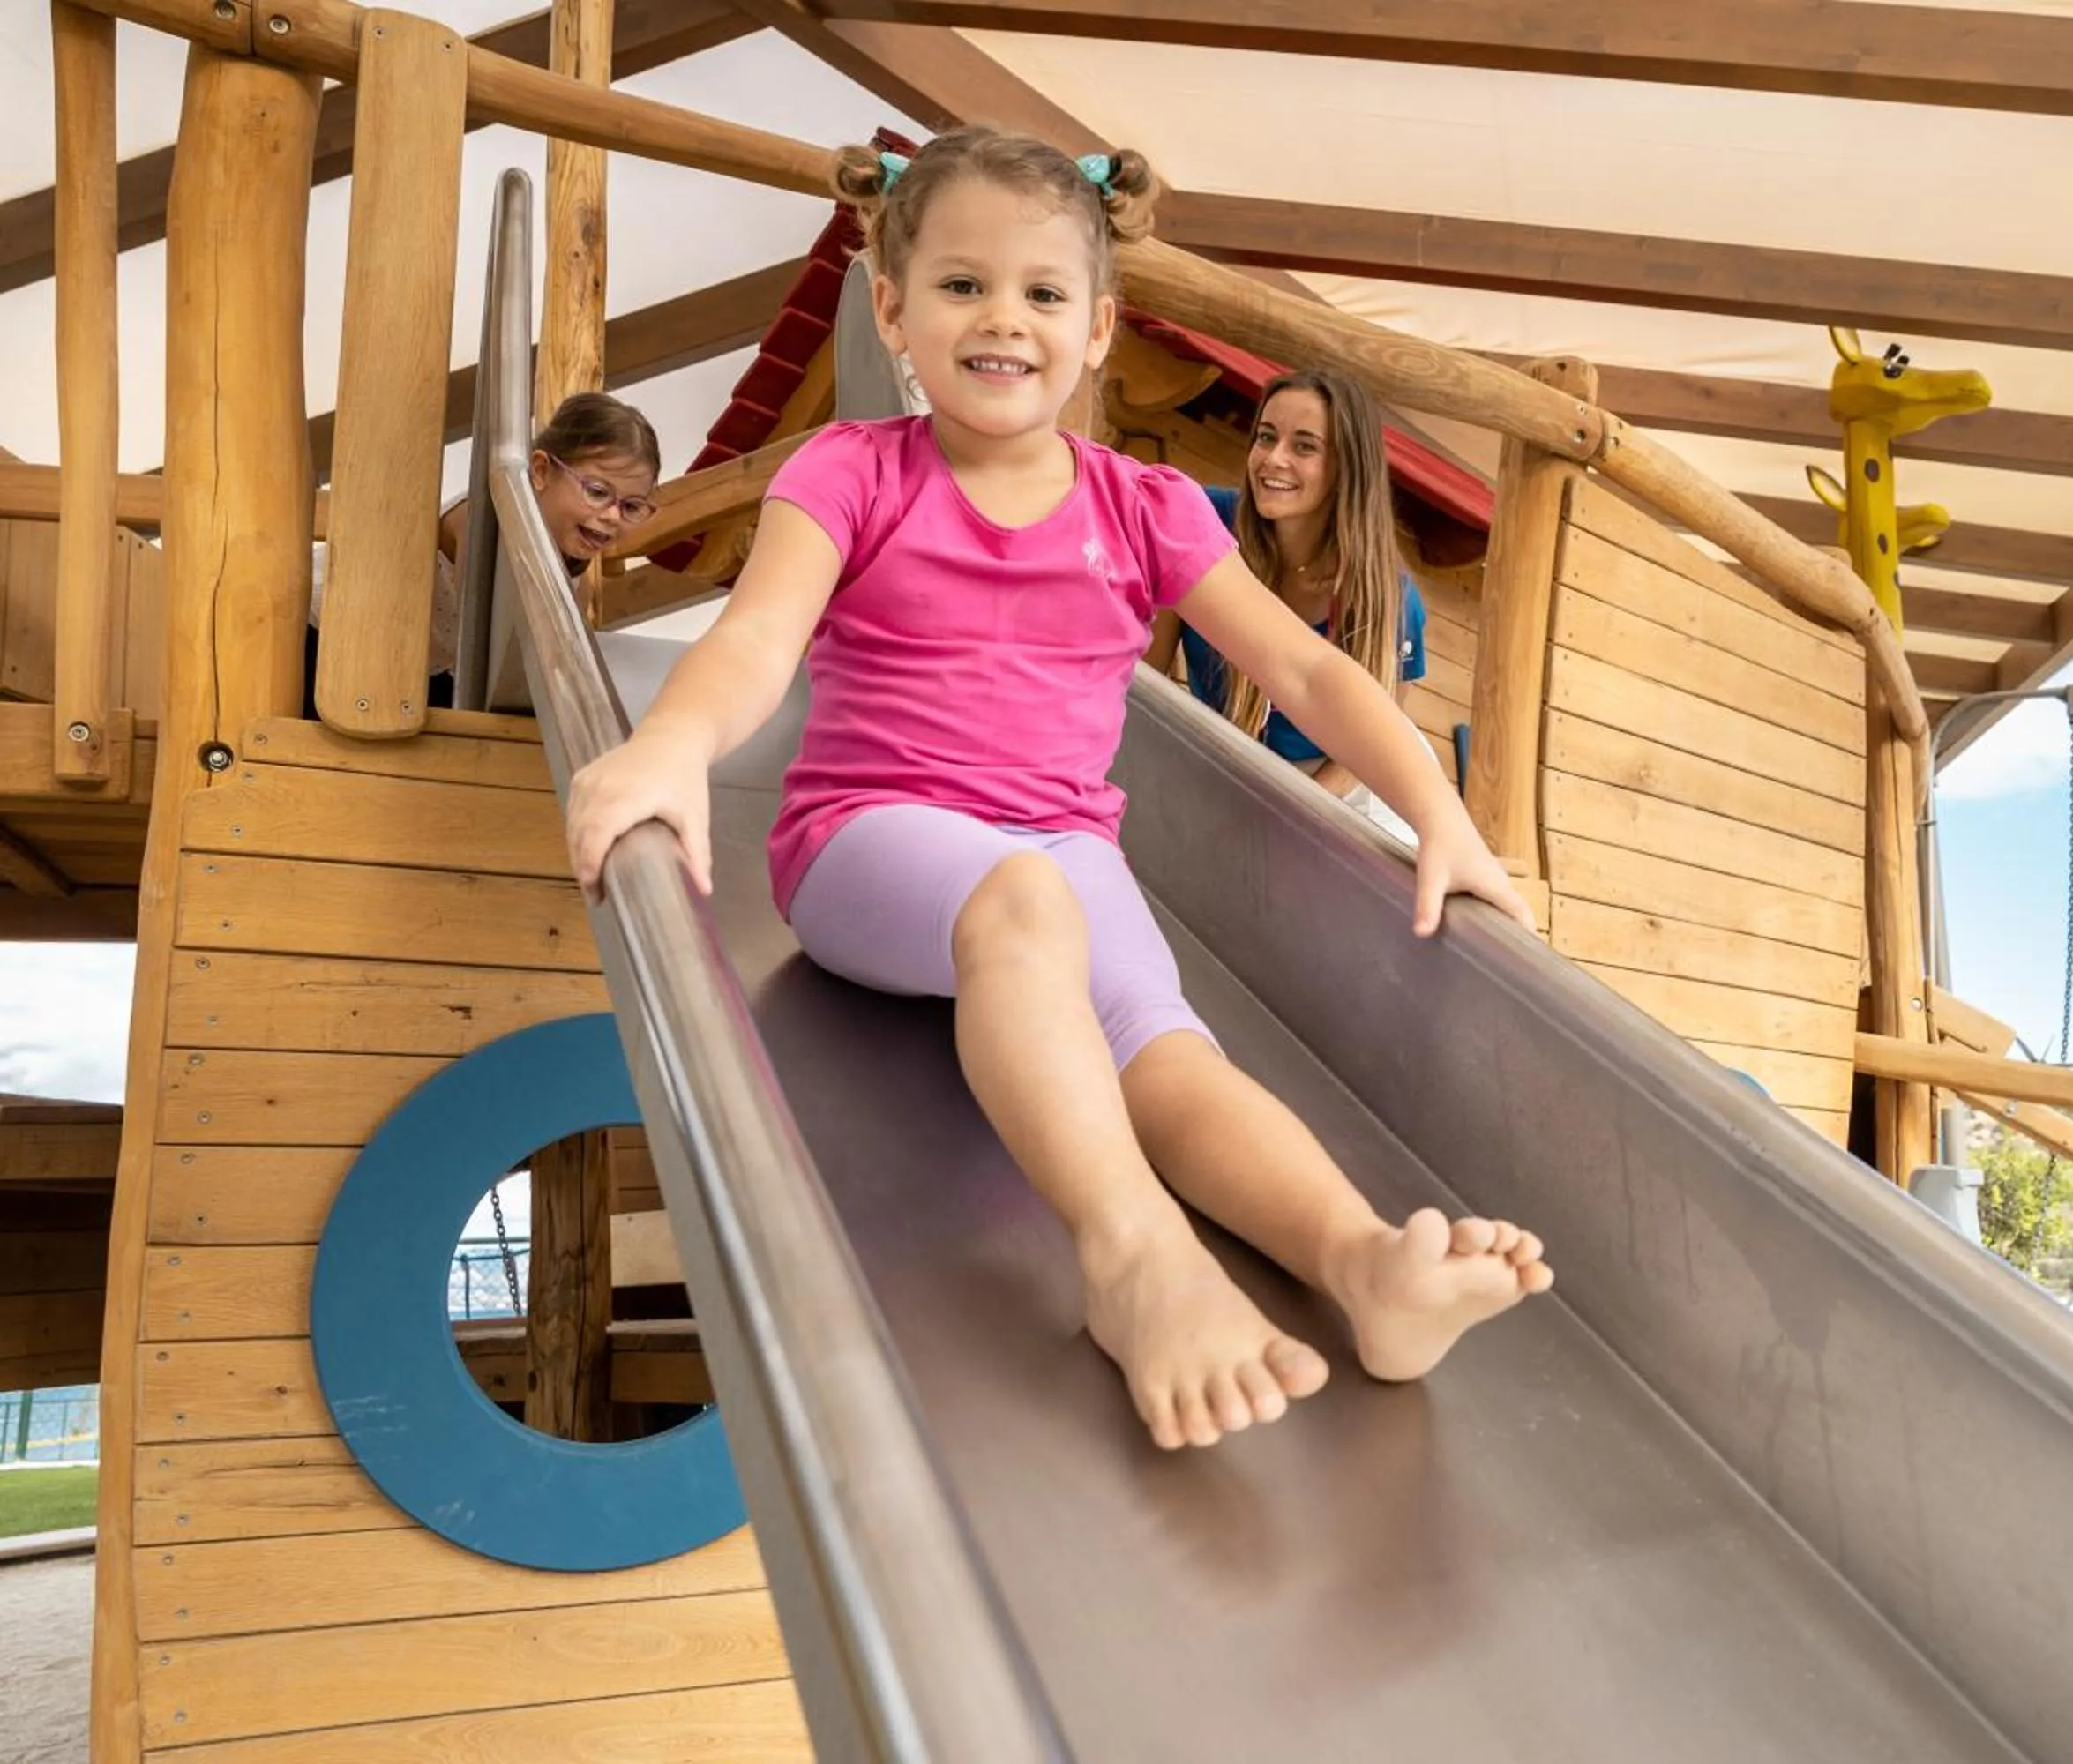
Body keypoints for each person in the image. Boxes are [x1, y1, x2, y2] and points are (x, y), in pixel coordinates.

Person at [562, 124, 1553, 1454]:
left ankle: (1364, 1266)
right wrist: (674, 743)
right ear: (896, 311)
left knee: (1166, 1051)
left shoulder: (1142, 505)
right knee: (1023, 902)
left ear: (1096, 331)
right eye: (964, 286)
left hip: (1064, 849)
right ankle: (1131, 1255)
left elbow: (1311, 677)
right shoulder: (850, 473)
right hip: (868, 845)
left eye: (1043, 294)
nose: (1004, 321)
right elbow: (752, 643)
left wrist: (1439, 816)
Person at [1150, 369, 1433, 841]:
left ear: (1347, 467)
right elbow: (1148, 677)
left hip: (1350, 779)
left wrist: (1292, 820)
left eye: (1304, 446)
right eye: (1266, 437)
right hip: (1234, 753)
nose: (1273, 459)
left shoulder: (1390, 598)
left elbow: (1369, 748)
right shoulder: (1203, 522)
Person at [304, 392, 662, 716]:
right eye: (598, 492)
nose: (613, 515)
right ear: (540, 471)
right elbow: (487, 645)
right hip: (323, 632)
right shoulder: (486, 521)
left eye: (632, 507)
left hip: (412, 667)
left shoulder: (575, 581)